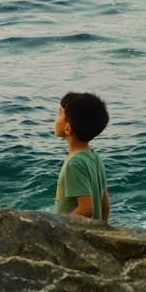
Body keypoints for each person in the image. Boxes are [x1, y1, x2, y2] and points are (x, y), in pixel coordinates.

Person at [53, 91, 110, 221]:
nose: (56, 118)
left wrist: (57, 226)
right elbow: (104, 202)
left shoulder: (75, 163)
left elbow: (87, 209)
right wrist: (102, 229)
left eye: (59, 113)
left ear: (68, 128)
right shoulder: (94, 156)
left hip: (72, 233)